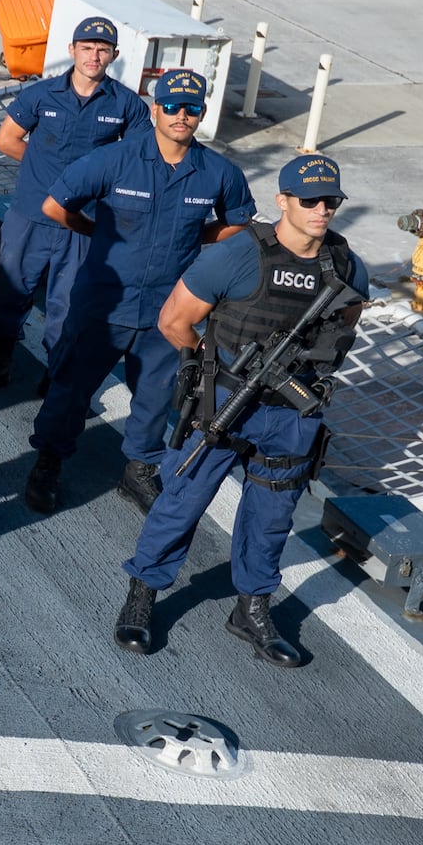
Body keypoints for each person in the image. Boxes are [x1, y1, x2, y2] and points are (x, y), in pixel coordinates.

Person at [112, 154, 368, 667]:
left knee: (272, 515)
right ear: (283, 202)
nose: (321, 210)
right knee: (181, 499)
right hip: (227, 400)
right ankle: (143, 594)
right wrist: (211, 368)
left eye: (330, 201)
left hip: (293, 412)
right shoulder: (239, 254)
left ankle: (251, 608)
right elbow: (174, 321)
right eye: (309, 200)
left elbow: (347, 318)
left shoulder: (344, 264)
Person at [21, 68, 254, 515]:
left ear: (202, 113)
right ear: (154, 110)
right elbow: (55, 205)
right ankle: (48, 461)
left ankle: (139, 470)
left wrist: (196, 238)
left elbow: (238, 221)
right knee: (71, 388)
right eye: (171, 107)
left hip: (168, 309)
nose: (181, 116)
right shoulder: (115, 159)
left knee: (155, 396)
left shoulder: (217, 172)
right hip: (103, 302)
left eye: (191, 108)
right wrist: (94, 230)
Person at [0, 16, 144, 393]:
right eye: (86, 47)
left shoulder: (127, 105)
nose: (94, 56)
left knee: (68, 307)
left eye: (102, 49)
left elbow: (138, 161)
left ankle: (55, 374)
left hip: (83, 224)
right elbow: (6, 140)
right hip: (31, 215)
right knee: (9, 293)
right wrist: (45, 167)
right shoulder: (40, 95)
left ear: (114, 55)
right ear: (72, 50)